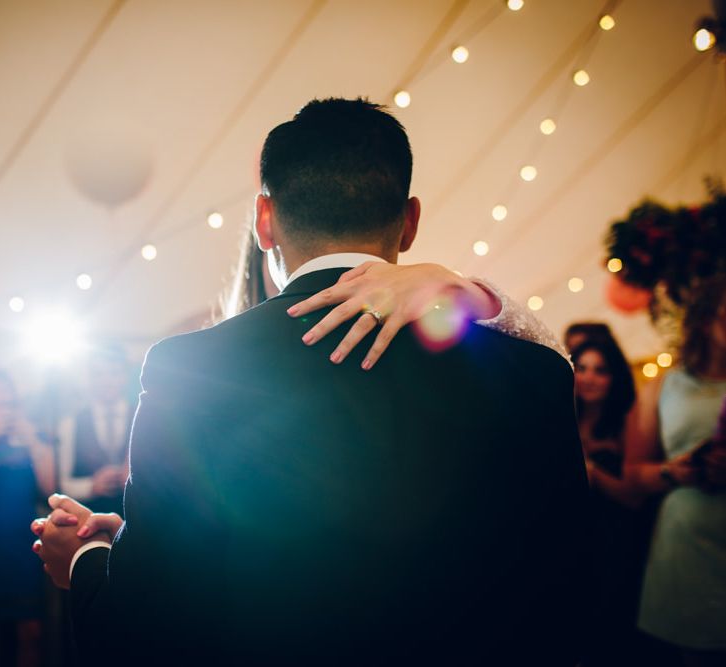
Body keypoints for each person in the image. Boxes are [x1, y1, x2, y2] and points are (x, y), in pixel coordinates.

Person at [32, 98, 590, 665]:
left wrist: (89, 559)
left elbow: (144, 624)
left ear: (264, 220)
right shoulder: (533, 371)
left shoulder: (189, 368)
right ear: (412, 219)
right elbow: (568, 594)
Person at [631, 278, 726, 666]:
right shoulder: (665, 385)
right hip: (687, 543)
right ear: (706, 319)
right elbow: (633, 474)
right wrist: (674, 471)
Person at [571, 341, 653, 666]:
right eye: (583, 367)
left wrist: (593, 473)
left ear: (614, 377)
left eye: (600, 370)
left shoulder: (628, 424)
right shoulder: (561, 415)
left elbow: (634, 497)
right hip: (571, 539)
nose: (589, 377)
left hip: (613, 542)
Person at [0, 371, 54, 667]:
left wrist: (32, 439)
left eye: (9, 404)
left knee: (30, 632)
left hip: (21, 547)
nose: (3, 411)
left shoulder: (27, 443)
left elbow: (49, 488)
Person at [57, 346, 134, 515]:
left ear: (126, 376)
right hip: (90, 520)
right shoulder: (70, 423)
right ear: (88, 378)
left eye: (114, 373)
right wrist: (92, 486)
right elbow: (62, 485)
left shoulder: (143, 418)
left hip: (138, 518)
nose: (106, 381)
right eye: (98, 374)